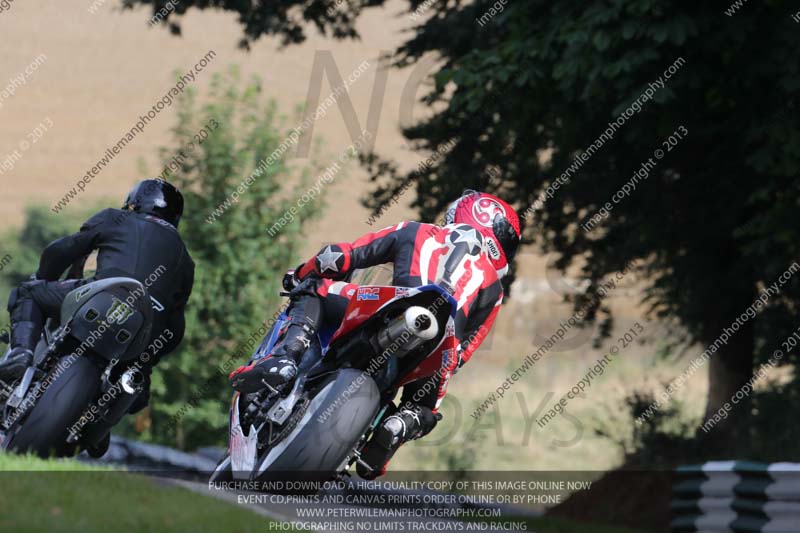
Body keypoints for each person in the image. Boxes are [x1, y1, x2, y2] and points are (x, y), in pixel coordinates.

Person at [228, 190, 521, 479]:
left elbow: (339, 257)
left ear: (460, 212)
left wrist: (301, 274)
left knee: (317, 285)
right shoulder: (494, 291)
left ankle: (288, 355)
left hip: (388, 302)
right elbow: (462, 354)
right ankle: (400, 424)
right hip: (438, 345)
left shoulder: (416, 231)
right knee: (426, 406)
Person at [0, 179, 195, 414]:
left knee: (27, 294)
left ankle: (21, 354)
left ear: (134, 203)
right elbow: (175, 327)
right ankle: (118, 400)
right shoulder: (185, 260)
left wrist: (42, 277)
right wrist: (147, 362)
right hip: (145, 329)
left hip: (101, 298)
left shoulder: (116, 218)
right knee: (136, 384)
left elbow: (61, 250)